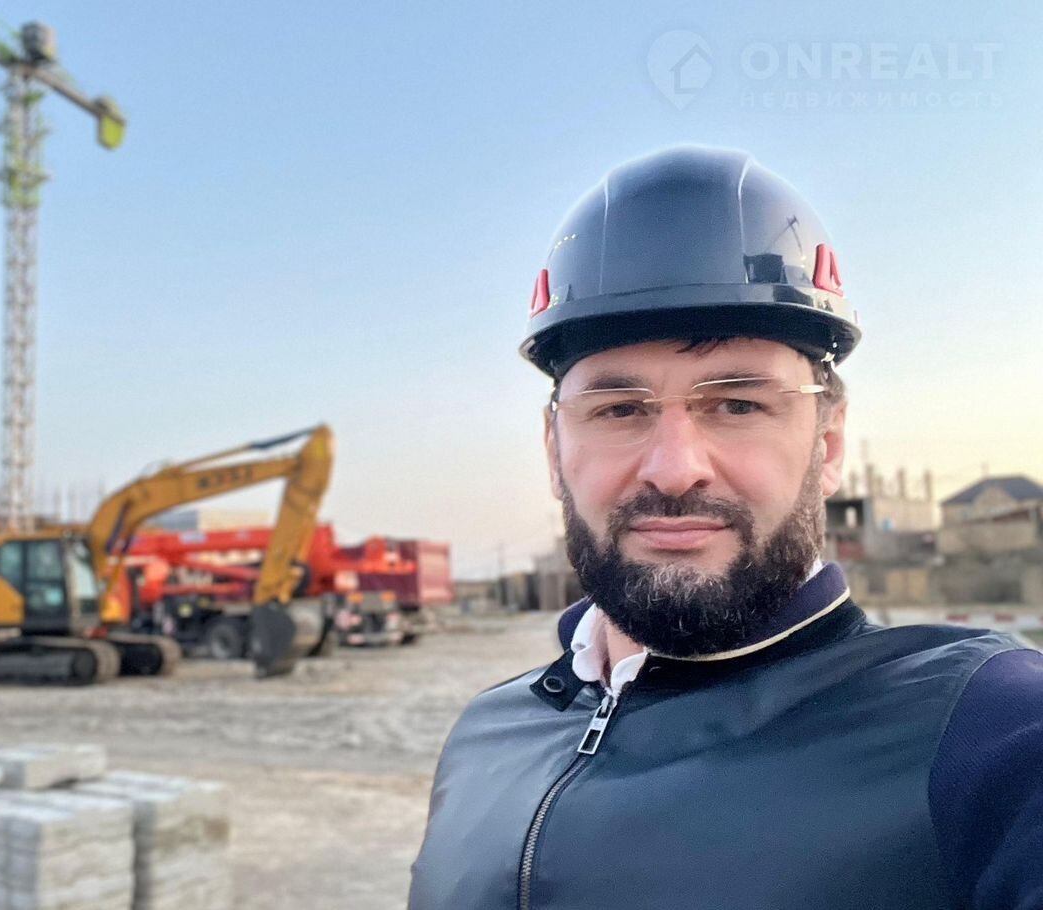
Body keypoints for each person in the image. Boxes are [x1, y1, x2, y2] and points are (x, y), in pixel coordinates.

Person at [408, 146, 1043, 910]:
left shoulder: (988, 735)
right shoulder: (484, 737)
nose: (675, 469)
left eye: (738, 404)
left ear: (828, 441)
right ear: (554, 450)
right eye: (619, 409)